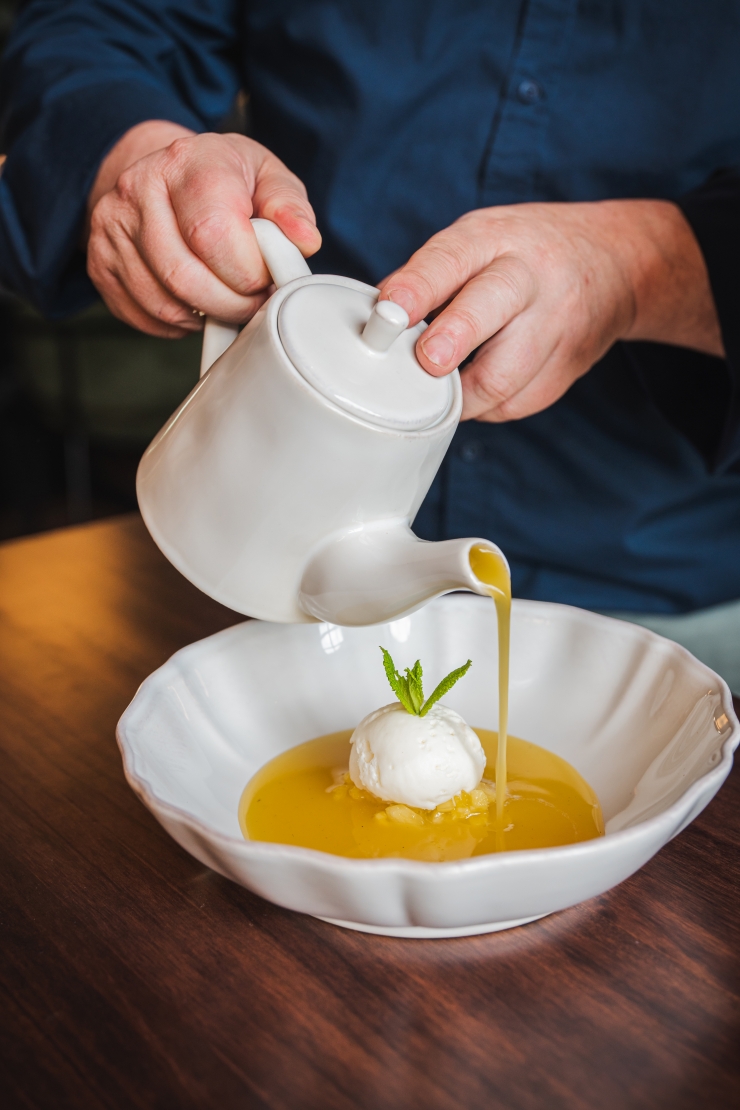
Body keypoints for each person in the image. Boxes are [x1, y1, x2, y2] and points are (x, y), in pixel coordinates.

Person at [0, 1, 738, 690]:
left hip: (668, 613)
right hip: (228, 608)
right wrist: (145, 162)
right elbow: (102, 23)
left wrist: (644, 266)